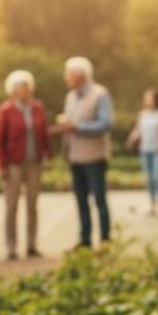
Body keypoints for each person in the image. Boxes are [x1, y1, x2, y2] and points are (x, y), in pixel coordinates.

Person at [55, 56, 113, 249]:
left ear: (79, 75)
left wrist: (78, 127)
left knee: (99, 199)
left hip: (94, 157)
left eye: (68, 75)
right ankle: (85, 239)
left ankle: (105, 239)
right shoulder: (70, 97)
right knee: (81, 201)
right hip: (75, 156)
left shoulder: (100, 94)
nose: (66, 79)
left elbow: (106, 123)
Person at [0, 70, 52, 261]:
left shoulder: (37, 108)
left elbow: (43, 133)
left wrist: (47, 155)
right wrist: (1, 164)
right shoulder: (6, 110)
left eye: (27, 87)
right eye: (22, 88)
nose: (26, 91)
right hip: (13, 163)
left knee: (32, 204)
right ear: (14, 90)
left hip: (34, 161)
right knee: (11, 205)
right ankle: (11, 247)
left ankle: (32, 245)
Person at [126, 89, 158, 217]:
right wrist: (131, 139)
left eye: (149, 98)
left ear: (156, 99)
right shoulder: (143, 114)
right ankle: (152, 205)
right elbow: (138, 130)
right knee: (149, 179)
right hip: (145, 150)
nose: (147, 100)